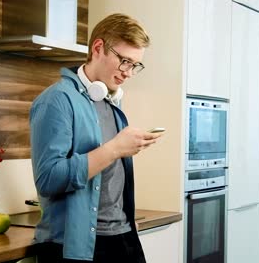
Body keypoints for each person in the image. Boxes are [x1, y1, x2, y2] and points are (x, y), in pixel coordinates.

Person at [29, 13, 163, 262]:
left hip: (123, 235)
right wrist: (114, 149)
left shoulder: (112, 100)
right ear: (98, 48)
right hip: (78, 245)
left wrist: (126, 147)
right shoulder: (57, 100)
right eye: (124, 61)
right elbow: (48, 179)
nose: (128, 73)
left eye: (135, 65)